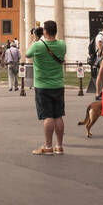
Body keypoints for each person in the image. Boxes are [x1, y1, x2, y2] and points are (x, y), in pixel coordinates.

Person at [26, 18, 67, 155]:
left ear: (44, 31)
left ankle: (48, 147)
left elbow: (27, 54)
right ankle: (59, 146)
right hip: (58, 84)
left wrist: (35, 39)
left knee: (47, 116)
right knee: (58, 115)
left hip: (42, 85)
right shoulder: (62, 45)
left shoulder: (38, 46)